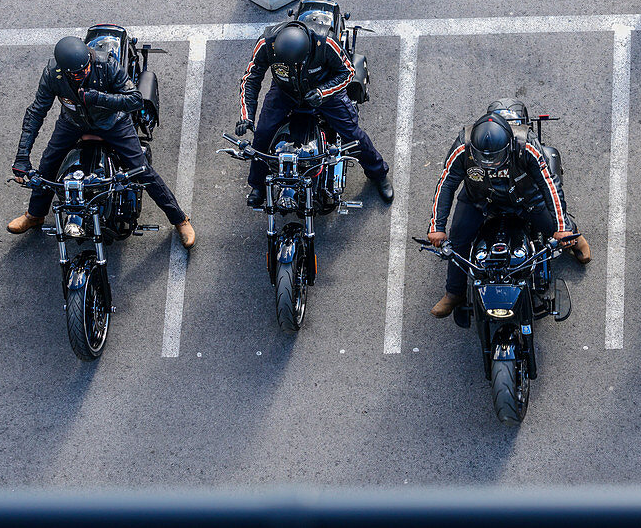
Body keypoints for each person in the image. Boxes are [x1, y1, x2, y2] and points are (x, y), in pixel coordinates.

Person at [8, 35, 195, 247]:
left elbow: (134, 99)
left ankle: (180, 219)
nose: (84, 73)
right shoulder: (53, 74)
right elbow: (35, 112)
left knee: (142, 170)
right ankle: (35, 215)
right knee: (47, 165)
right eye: (77, 73)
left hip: (113, 122)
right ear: (65, 71)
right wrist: (21, 157)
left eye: (86, 67)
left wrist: (99, 98)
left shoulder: (107, 65)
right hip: (73, 122)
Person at [426, 99, 591, 318]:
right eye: (483, 158)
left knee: (560, 230)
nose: (489, 163)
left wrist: (562, 228)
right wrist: (436, 226)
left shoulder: (527, 145)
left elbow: (549, 184)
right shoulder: (462, 146)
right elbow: (446, 183)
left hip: (526, 199)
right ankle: (454, 293)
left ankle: (577, 239)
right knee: (458, 242)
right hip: (478, 200)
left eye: (494, 158)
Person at [237, 18, 392, 206]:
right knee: (262, 134)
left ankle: (378, 173)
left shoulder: (326, 41)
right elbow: (251, 78)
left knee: (352, 135)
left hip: (325, 91)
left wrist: (322, 92)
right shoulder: (266, 43)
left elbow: (348, 72)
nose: (295, 67)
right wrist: (246, 116)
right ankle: (258, 185)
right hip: (285, 91)